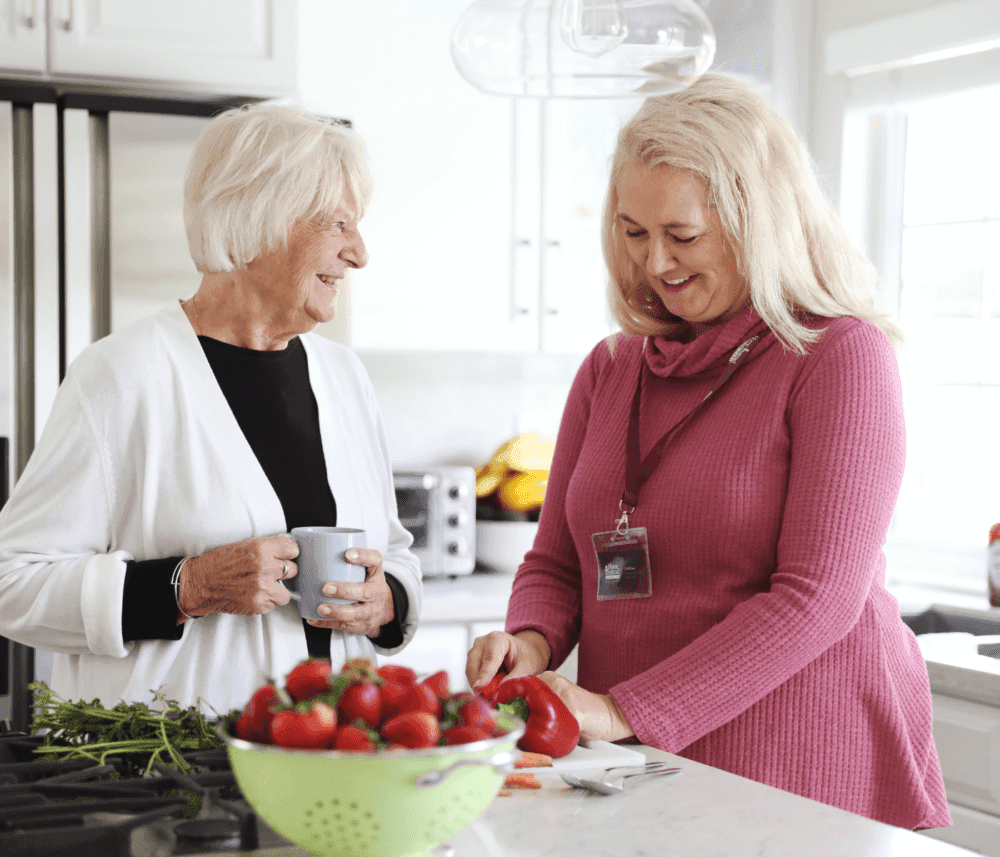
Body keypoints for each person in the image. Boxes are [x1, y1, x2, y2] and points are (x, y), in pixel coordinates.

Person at [466, 74, 950, 830]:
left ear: (758, 222)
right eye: (633, 231)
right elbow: (558, 563)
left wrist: (619, 707)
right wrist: (531, 640)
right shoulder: (612, 366)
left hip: (796, 756)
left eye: (681, 235)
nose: (655, 262)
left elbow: (817, 597)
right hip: (636, 754)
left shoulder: (838, 356)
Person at [0, 104, 421, 714]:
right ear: (261, 222)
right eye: (338, 224)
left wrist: (388, 603)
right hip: (167, 774)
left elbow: (397, 553)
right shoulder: (123, 374)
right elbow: (13, 583)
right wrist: (186, 586)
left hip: (329, 757)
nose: (359, 253)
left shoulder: (343, 376)